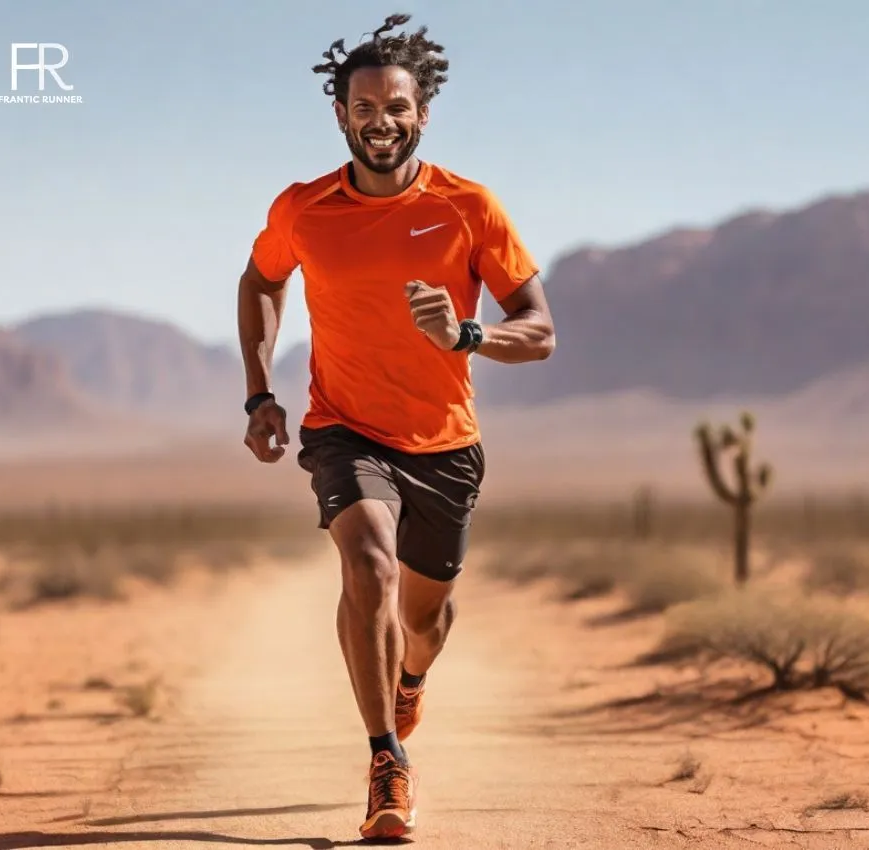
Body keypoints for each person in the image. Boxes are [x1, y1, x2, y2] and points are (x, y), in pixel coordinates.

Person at [236, 12, 555, 842]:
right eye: (364, 107)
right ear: (340, 113)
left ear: (424, 111)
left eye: (397, 107)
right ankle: (387, 760)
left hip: (446, 442)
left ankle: (410, 677)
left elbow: (541, 330)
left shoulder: (468, 207)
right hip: (343, 428)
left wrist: (467, 335)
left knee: (425, 620)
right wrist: (258, 392)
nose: (382, 121)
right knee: (368, 564)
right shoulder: (304, 208)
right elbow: (261, 281)